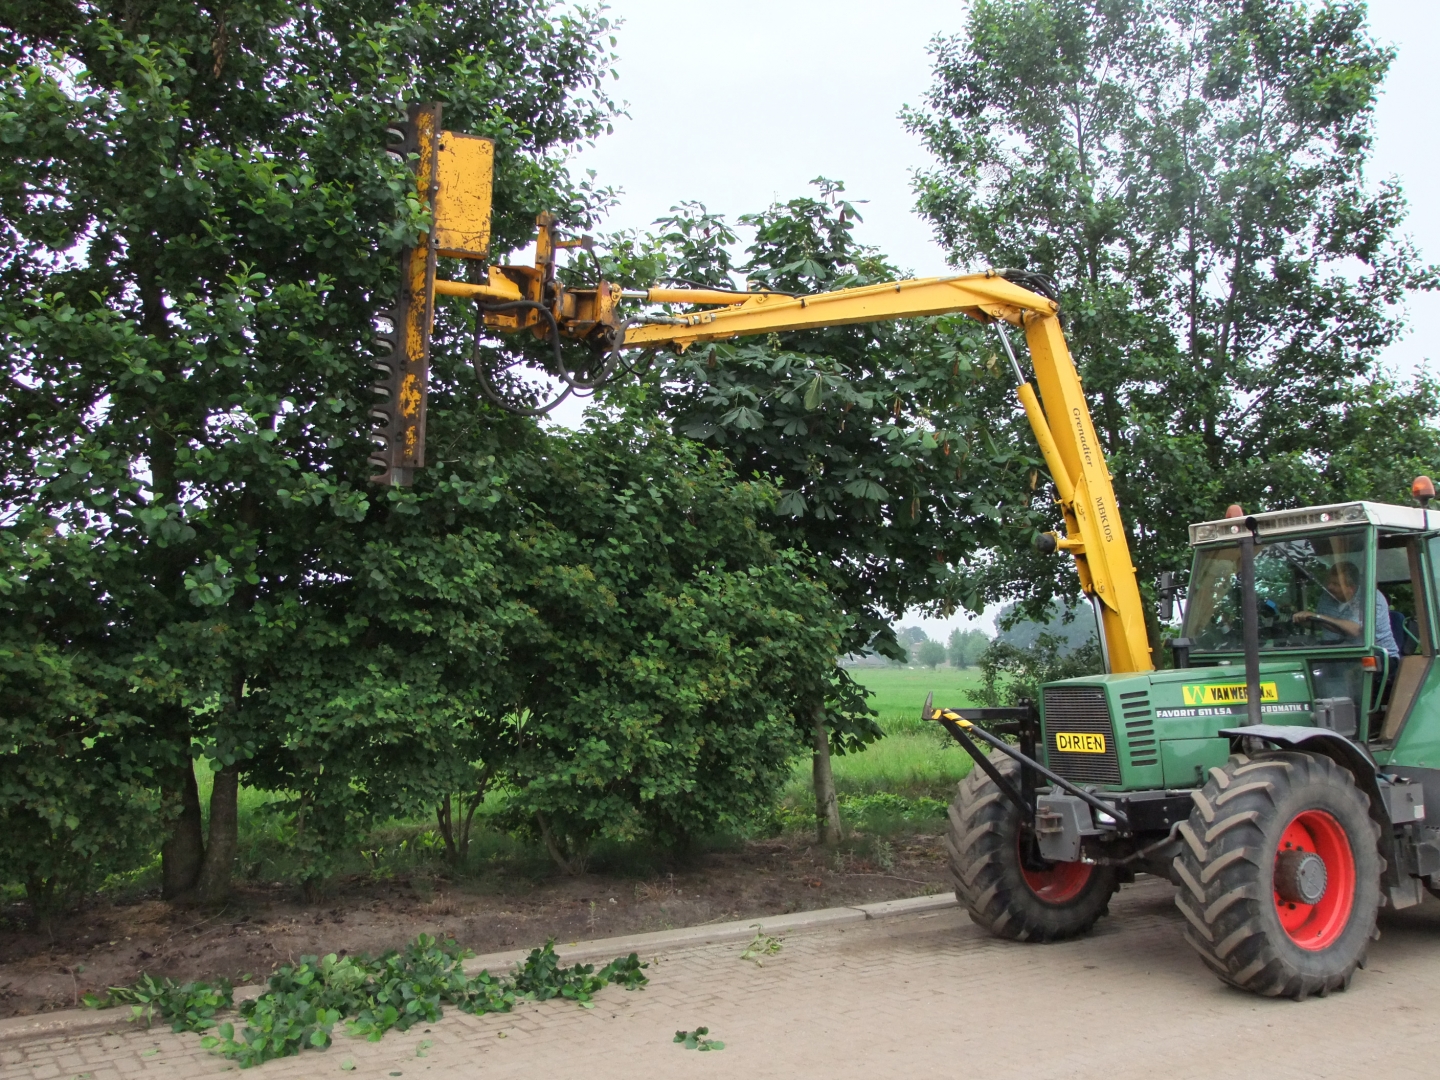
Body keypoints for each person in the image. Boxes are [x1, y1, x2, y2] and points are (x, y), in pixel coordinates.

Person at [1293, 560, 1400, 659]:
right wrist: (1304, 620)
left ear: (1351, 588)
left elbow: (1355, 630)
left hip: (1375, 657)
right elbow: (1324, 623)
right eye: (1329, 582)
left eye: (1335, 584)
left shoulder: (1371, 597)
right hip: (1337, 656)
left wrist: (1317, 616)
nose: (1329, 587)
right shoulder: (1328, 596)